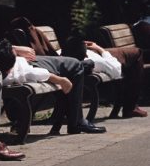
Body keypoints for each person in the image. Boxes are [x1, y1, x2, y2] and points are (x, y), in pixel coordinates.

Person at [11, 16, 147, 118]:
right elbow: (116, 70)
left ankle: (130, 106)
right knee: (137, 53)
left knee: (136, 53)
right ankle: (130, 107)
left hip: (86, 53)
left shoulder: (63, 55)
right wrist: (99, 49)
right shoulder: (96, 63)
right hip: (99, 55)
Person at [0, 38, 106, 135]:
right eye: (13, 53)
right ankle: (77, 121)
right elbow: (38, 74)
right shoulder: (17, 74)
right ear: (9, 69)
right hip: (33, 65)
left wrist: (15, 49)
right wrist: (61, 80)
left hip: (30, 63)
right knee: (75, 64)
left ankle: (74, 120)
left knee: (75, 66)